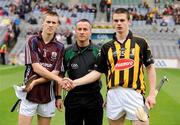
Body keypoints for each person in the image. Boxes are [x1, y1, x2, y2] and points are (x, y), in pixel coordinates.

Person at [63, 8, 156, 125]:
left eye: (122, 20)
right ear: (112, 22)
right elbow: (98, 72)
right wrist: (75, 83)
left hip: (134, 93)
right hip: (114, 95)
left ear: (129, 21)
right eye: (116, 20)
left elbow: (150, 67)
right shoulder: (107, 47)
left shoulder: (141, 42)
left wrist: (152, 94)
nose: (119, 23)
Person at [18, 10, 64, 125]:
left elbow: (56, 73)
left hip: (48, 95)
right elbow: (36, 67)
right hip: (29, 93)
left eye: (54, 22)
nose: (50, 25)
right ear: (42, 23)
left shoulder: (60, 47)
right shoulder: (32, 40)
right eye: (48, 21)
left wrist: (35, 82)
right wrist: (58, 79)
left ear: (57, 25)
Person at [62, 19, 103, 125]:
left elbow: (104, 74)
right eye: (79, 29)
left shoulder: (98, 51)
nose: (82, 32)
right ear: (75, 31)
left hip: (93, 98)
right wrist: (58, 97)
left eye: (85, 29)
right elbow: (61, 74)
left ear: (90, 32)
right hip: (73, 99)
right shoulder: (67, 51)